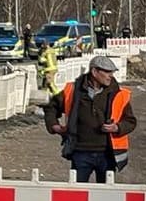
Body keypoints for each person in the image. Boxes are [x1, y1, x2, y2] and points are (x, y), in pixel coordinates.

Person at [45, 54, 137, 184]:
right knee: (78, 194)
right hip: (80, 152)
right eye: (107, 72)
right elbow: (51, 108)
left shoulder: (120, 94)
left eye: (112, 72)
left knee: (105, 195)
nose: (111, 75)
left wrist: (117, 127)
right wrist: (54, 126)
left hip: (107, 154)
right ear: (94, 72)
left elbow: (131, 121)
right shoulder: (72, 90)